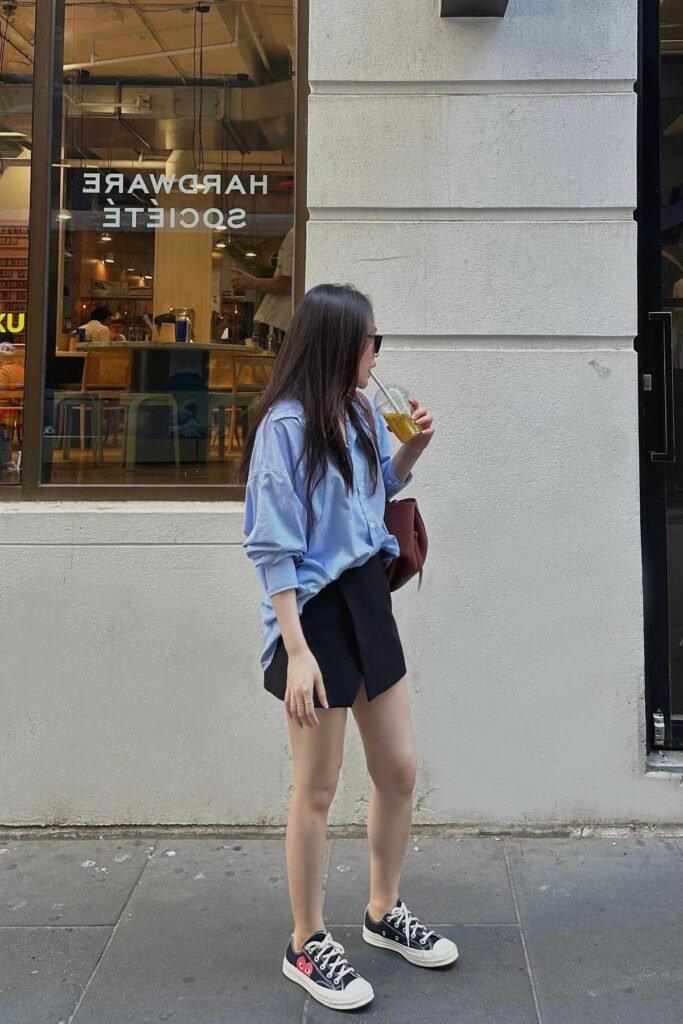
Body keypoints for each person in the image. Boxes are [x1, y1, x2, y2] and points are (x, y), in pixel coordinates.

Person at [241, 284, 457, 1013]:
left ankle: (381, 911)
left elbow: (370, 499)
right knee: (319, 787)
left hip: (366, 597)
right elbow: (272, 546)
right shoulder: (286, 426)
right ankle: (305, 942)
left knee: (398, 768)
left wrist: (411, 451)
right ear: (339, 343)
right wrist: (297, 650)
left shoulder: (361, 410)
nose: (378, 353)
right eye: (372, 340)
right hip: (315, 613)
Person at [231, 226, 294, 335]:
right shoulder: (298, 232)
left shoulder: (296, 234)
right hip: (289, 322)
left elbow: (289, 283)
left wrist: (253, 282)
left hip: (288, 321)